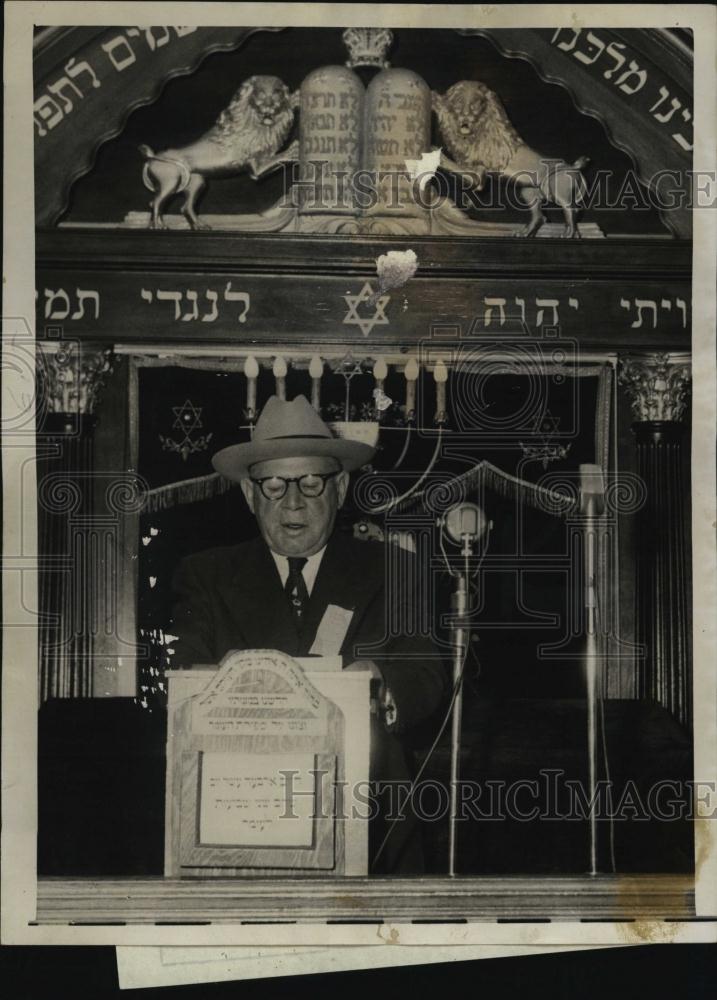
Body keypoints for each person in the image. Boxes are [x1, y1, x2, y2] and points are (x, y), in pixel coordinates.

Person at [170, 394, 448, 873]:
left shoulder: (396, 571)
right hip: (239, 821)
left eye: (312, 483)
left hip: (371, 821)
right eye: (275, 484)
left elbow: (427, 676)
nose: (293, 502)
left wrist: (378, 684)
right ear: (249, 495)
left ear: (340, 489)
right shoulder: (206, 575)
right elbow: (182, 685)